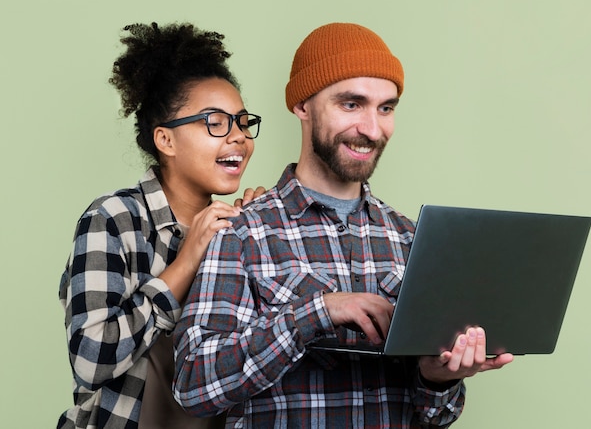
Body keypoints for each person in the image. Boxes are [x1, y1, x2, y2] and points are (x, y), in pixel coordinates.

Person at [172, 22, 514, 428]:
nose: (372, 129)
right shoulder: (242, 233)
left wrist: (438, 379)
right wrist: (315, 313)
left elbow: (434, 415)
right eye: (351, 104)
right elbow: (193, 386)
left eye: (385, 108)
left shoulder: (411, 239)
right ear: (302, 106)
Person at [57, 22, 264, 429]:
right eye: (216, 122)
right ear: (165, 140)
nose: (238, 136)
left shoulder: (238, 228)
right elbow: (90, 359)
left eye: (242, 122)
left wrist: (262, 241)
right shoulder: (113, 219)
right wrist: (186, 262)